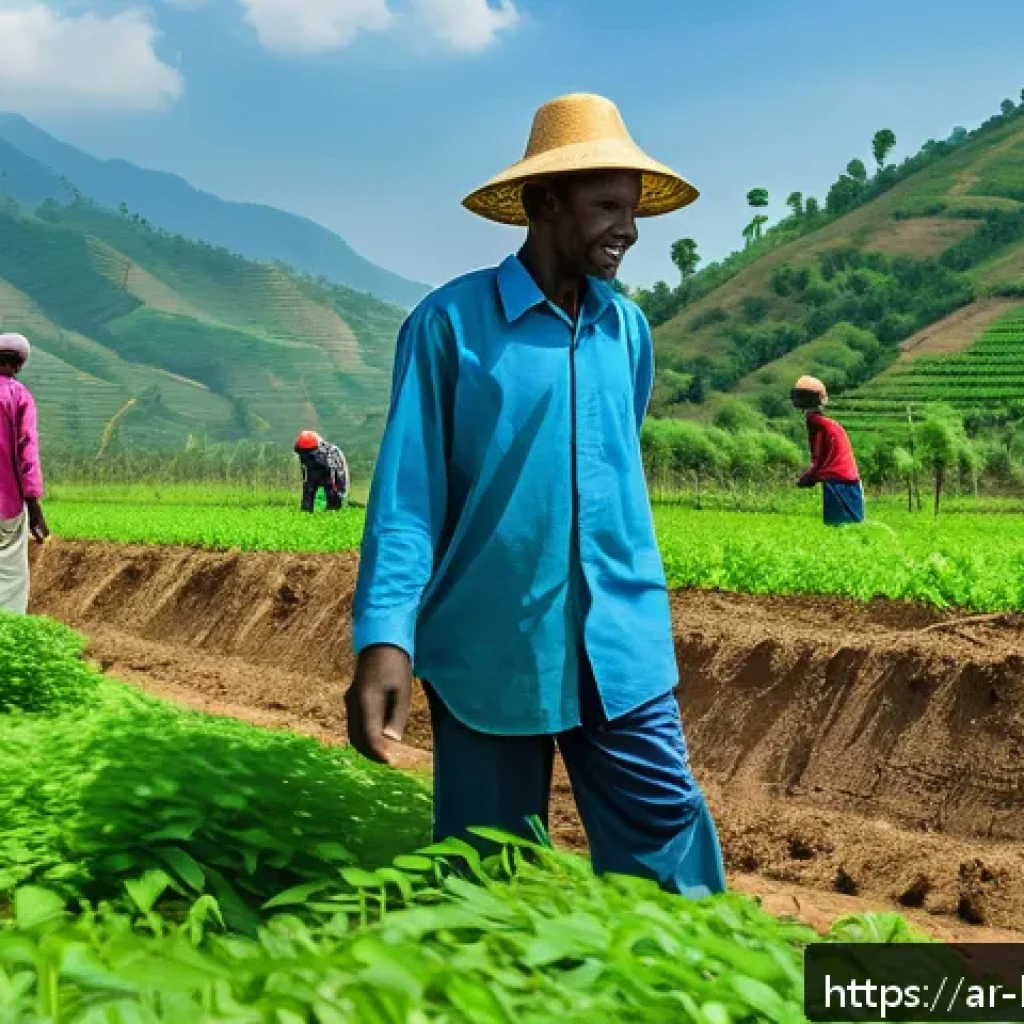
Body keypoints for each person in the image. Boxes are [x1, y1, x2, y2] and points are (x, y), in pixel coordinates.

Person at [346, 93, 727, 899]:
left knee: (672, 860)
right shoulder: (448, 326)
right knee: (489, 879)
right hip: (493, 644)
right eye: (607, 207)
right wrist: (386, 637)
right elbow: (409, 499)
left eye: (633, 209)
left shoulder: (629, 330)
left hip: (622, 642)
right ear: (544, 202)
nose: (627, 227)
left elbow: (615, 461)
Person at [0, 333, 48, 613]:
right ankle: (6, 633)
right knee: (9, 572)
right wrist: (34, 505)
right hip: (7, 503)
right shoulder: (19, 396)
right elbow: (26, 453)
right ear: (18, 365)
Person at [791, 375, 865, 525]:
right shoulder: (828, 424)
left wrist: (807, 477)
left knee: (839, 526)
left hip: (838, 482)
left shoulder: (817, 425)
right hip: (849, 480)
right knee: (852, 527)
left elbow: (818, 458)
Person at [293, 430, 349, 513]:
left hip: (328, 470)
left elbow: (338, 476)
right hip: (312, 470)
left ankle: (333, 509)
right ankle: (306, 511)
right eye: (303, 452)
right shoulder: (301, 450)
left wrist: (340, 492)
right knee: (308, 489)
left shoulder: (330, 452)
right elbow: (305, 471)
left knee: (331, 489)